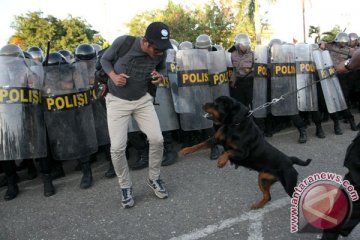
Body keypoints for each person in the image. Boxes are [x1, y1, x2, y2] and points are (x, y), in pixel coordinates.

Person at [101, 22, 172, 208]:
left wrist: (161, 76)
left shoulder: (160, 51)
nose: (160, 53)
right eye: (157, 49)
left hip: (142, 100)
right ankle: (125, 186)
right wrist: (113, 76)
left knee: (157, 139)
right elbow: (104, 60)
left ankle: (154, 178)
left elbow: (163, 68)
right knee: (117, 148)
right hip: (117, 101)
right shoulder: (124, 42)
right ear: (147, 43)